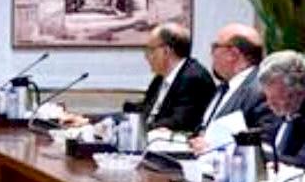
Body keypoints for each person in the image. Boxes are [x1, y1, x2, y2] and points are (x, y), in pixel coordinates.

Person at [61, 22, 215, 132]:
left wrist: (117, 128)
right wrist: (89, 119)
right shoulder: (161, 78)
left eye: (150, 50)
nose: (146, 57)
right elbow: (141, 113)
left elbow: (177, 123)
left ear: (166, 51)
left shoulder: (193, 78)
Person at [190, 23, 276, 152]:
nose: (211, 54)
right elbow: (203, 129)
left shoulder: (261, 91)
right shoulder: (223, 88)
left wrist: (213, 146)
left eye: (215, 47)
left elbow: (265, 145)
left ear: (233, 54)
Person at [258, 50, 305, 165]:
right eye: (267, 97)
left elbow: (301, 163)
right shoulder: (281, 114)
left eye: (275, 98)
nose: (269, 104)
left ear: (299, 92)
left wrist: (259, 154)